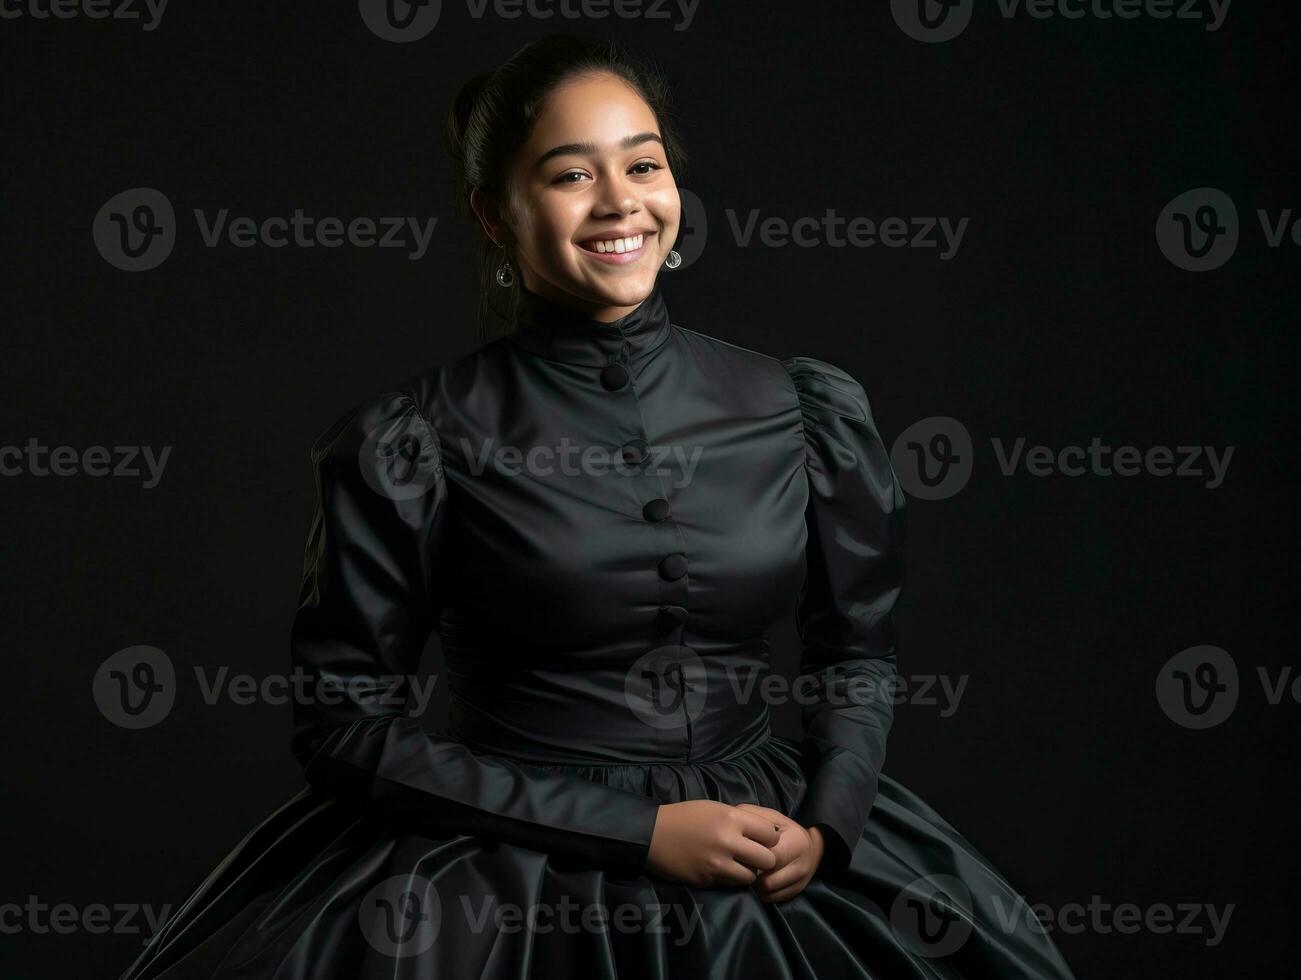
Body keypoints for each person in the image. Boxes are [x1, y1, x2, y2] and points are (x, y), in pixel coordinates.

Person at [119, 33, 1076, 980]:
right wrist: (640, 830)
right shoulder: (410, 439)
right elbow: (344, 727)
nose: (622, 203)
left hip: (773, 846)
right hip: (497, 868)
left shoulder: (799, 408)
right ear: (494, 214)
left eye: (644, 166)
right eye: (571, 175)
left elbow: (855, 648)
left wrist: (829, 822)